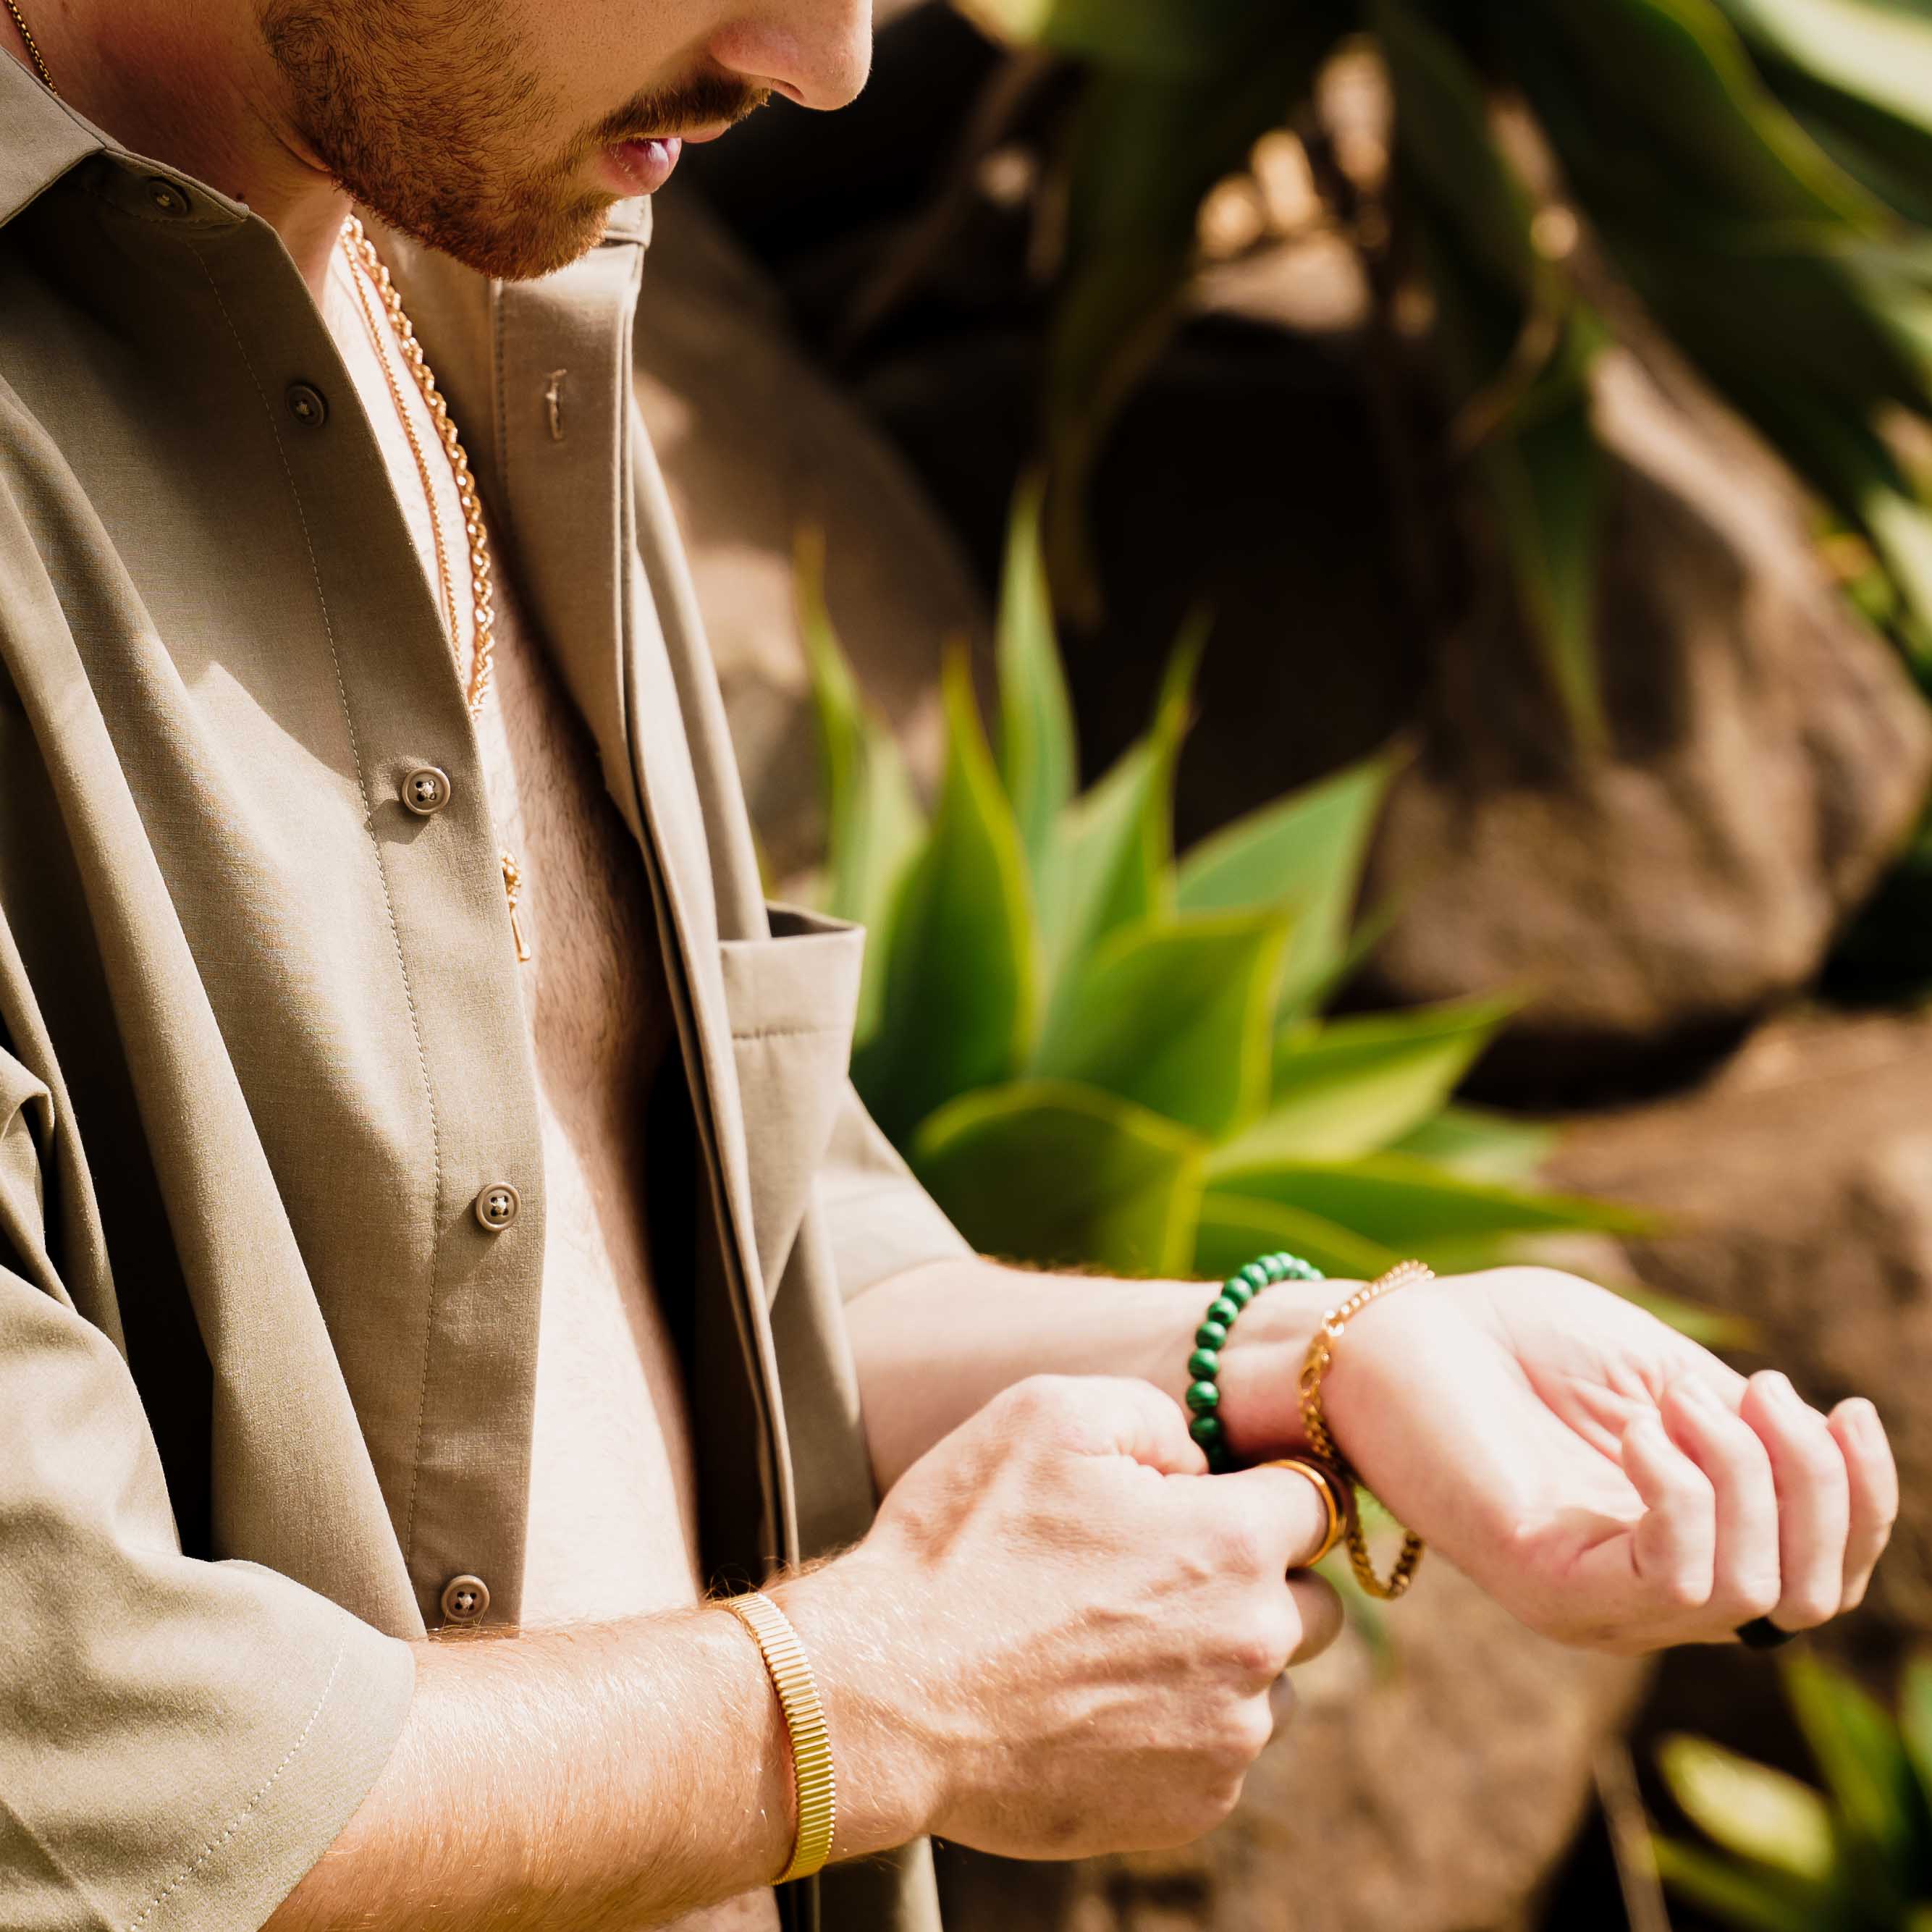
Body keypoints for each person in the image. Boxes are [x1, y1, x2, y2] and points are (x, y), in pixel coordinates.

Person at [0, 4, 1898, 1930]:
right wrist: (895, 1700)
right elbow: (63, 1781)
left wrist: (1322, 1361)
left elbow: (680, 1283)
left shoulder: (482, 261)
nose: (827, 59)